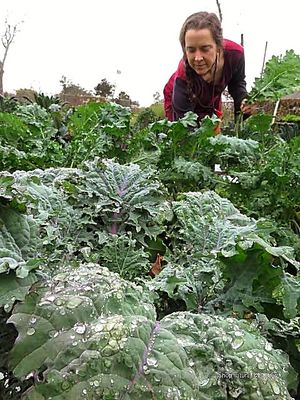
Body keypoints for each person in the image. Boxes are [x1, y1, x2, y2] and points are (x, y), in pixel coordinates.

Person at [163, 11, 254, 126]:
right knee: (187, 136)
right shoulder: (183, 77)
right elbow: (183, 127)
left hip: (211, 100)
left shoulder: (235, 55)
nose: (198, 58)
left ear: (218, 46)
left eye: (205, 48)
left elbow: (237, 84)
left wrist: (243, 101)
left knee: (213, 134)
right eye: (191, 50)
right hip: (178, 100)